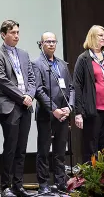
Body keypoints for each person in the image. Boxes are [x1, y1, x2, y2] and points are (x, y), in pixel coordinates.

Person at [0, 20, 36, 197]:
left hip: (25, 105)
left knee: (21, 148)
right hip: (10, 105)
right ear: (3, 34)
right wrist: (22, 97)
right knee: (10, 147)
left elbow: (31, 78)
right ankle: (5, 187)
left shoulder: (23, 54)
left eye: (18, 32)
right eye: (13, 32)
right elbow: (2, 81)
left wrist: (30, 96)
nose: (17, 35)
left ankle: (18, 185)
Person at [73, 25, 104, 163]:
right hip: (92, 111)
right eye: (100, 35)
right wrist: (78, 112)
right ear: (92, 37)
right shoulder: (83, 59)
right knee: (91, 147)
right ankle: (91, 180)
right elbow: (77, 86)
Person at [32, 32, 74, 195]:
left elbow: (71, 88)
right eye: (47, 41)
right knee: (43, 151)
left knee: (60, 152)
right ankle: (43, 184)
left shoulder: (63, 64)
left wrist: (69, 107)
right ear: (41, 43)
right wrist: (54, 109)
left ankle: (60, 182)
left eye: (53, 41)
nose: (51, 44)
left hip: (63, 114)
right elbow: (39, 90)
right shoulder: (37, 64)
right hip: (46, 114)